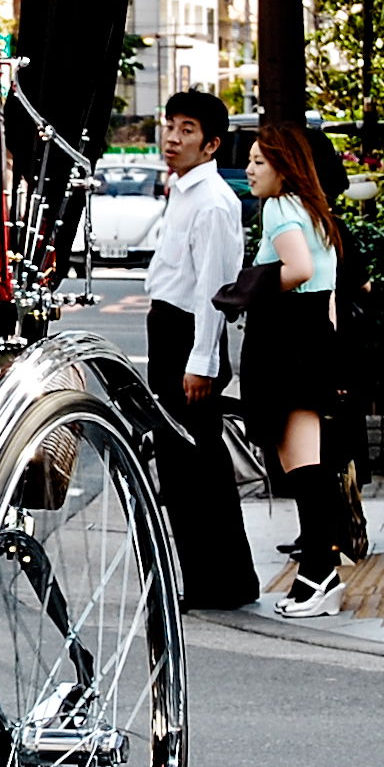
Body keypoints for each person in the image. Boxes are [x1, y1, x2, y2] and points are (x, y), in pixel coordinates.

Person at [142, 89, 259, 610]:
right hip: (169, 330)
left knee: (200, 470)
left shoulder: (214, 203)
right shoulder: (185, 189)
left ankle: (226, 583)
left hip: (190, 336)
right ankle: (207, 579)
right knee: (182, 468)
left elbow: (216, 288)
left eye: (187, 130)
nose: (173, 137)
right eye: (170, 125)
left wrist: (201, 362)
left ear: (211, 144)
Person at [241, 122, 350, 619]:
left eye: (259, 162)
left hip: (283, 339)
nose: (249, 170)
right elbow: (326, 291)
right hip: (313, 337)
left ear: (284, 168)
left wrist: (251, 289)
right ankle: (321, 571)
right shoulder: (315, 209)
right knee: (311, 466)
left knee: (303, 468)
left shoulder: (280, 207)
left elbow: (300, 268)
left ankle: (319, 575)